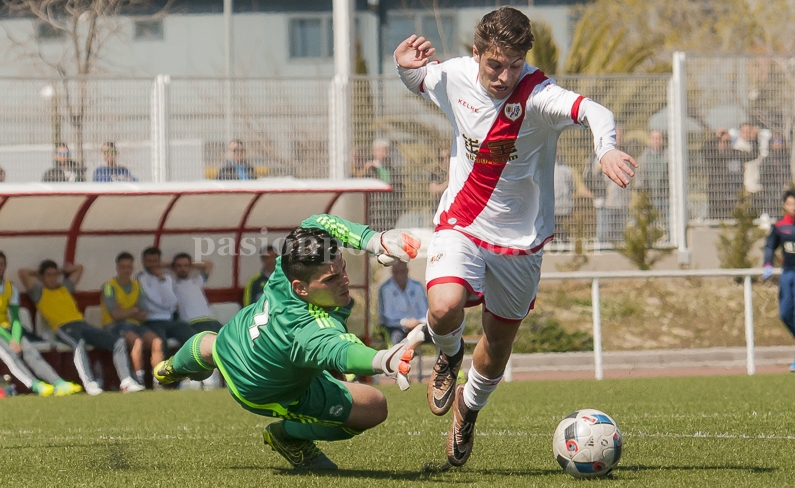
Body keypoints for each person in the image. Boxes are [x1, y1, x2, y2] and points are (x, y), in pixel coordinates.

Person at [394, 6, 636, 467]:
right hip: (461, 223)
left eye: (513, 65)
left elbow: (593, 111)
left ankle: (468, 409)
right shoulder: (455, 76)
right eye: (494, 64)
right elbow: (421, 81)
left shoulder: (540, 95)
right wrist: (403, 65)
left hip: (521, 240)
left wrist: (605, 149)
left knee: (499, 343)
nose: (504, 76)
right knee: (444, 307)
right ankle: (448, 354)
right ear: (477, 54)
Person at [153, 214, 421, 470]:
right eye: (331, 279)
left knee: (210, 345)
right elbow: (342, 351)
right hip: (262, 389)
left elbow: (316, 223)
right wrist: (383, 360)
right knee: (374, 407)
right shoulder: (305, 329)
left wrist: (375, 241)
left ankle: (170, 369)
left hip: (235, 338)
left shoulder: (290, 264)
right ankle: (288, 436)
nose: (344, 281)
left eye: (342, 269)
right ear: (300, 288)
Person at [18, 260, 144, 395]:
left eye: (55, 275)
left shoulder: (64, 288)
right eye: (49, 275)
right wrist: (40, 274)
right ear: (42, 277)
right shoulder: (39, 292)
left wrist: (60, 271)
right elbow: (23, 273)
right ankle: (90, 383)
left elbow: (79, 268)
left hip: (82, 323)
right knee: (79, 345)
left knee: (118, 342)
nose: (53, 278)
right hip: (63, 327)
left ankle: (126, 381)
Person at [0, 252, 82, 396]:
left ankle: (58, 383)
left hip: (8, 328)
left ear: (5, 266)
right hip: (2, 333)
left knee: (31, 352)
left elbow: (16, 318)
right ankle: (36, 385)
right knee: (10, 354)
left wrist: (16, 338)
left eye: (1, 264)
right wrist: (11, 340)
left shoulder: (10, 288)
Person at [101, 252, 163, 387]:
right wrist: (133, 310)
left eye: (129, 267)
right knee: (137, 342)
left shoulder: (136, 285)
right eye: (123, 267)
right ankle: (139, 378)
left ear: (132, 268)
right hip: (114, 326)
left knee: (157, 342)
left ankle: (158, 380)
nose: (126, 270)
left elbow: (144, 312)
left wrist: (125, 312)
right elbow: (115, 315)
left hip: (135, 324)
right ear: (117, 268)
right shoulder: (109, 286)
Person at [137, 247, 197, 354]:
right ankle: (164, 370)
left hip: (170, 320)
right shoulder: (141, 278)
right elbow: (154, 299)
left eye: (155, 261)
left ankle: (193, 370)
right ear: (143, 262)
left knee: (193, 338)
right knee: (160, 343)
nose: (152, 264)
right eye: (149, 261)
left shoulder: (167, 278)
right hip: (151, 321)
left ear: (160, 262)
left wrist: (161, 279)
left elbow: (172, 301)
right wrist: (169, 305)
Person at [763, 189, 795, 371]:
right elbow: (769, 246)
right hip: (788, 274)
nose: (794, 207)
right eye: (791, 204)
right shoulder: (780, 226)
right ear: (785, 205)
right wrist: (767, 263)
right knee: (785, 314)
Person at [377, 261, 428, 346]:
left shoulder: (417, 286)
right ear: (392, 272)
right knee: (395, 341)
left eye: (402, 271)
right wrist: (405, 322)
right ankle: (396, 359)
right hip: (395, 327)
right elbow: (387, 315)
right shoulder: (385, 289)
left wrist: (419, 322)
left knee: (440, 335)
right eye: (396, 272)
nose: (399, 275)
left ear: (407, 271)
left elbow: (424, 310)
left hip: (419, 325)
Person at [171, 254, 223, 334]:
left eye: (186, 266)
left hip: (211, 320)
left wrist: (190, 265)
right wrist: (171, 265)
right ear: (174, 268)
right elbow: (157, 266)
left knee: (234, 340)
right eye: (179, 266)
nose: (182, 269)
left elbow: (209, 265)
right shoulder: (172, 284)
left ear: (190, 267)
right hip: (193, 322)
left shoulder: (197, 281)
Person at [637, 129, 669, 232]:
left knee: (667, 222)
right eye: (654, 138)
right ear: (650, 140)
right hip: (650, 197)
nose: (656, 141)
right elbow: (639, 176)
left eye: (659, 138)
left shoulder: (668, 155)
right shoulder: (644, 157)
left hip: (665, 196)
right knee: (651, 223)